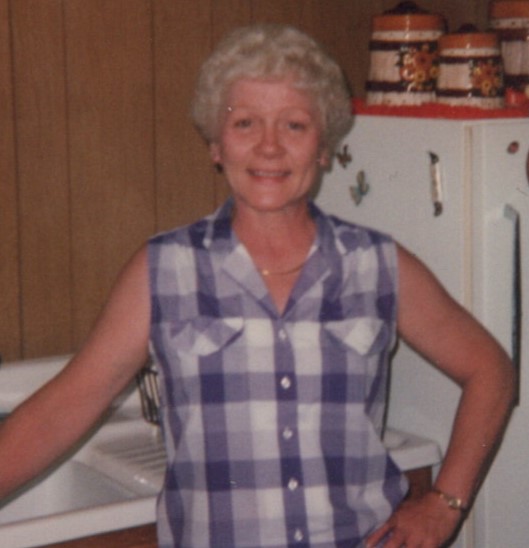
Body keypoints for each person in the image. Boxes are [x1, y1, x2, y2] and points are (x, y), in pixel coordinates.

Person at [0, 23, 514, 548]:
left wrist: (446, 504)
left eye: (294, 125)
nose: (269, 147)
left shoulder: (378, 265)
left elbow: (490, 370)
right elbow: (61, 411)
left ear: (323, 147)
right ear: (215, 145)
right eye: (245, 123)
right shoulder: (163, 271)